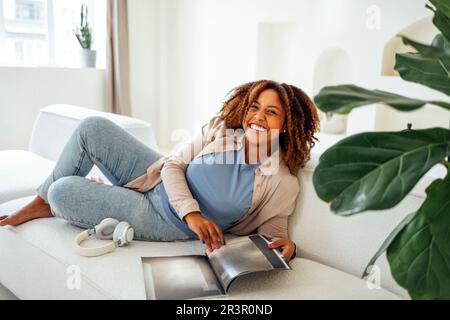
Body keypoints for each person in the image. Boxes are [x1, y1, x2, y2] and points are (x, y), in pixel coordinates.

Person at [0, 80, 319, 262]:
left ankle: (50, 196)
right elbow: (173, 164)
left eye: (271, 112)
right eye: (254, 106)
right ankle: (41, 202)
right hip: (156, 175)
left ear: (287, 125)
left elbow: (274, 234)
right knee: (92, 127)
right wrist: (193, 212)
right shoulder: (222, 130)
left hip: (162, 218)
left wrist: (288, 248)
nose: (257, 117)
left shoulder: (281, 182)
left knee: (63, 191)